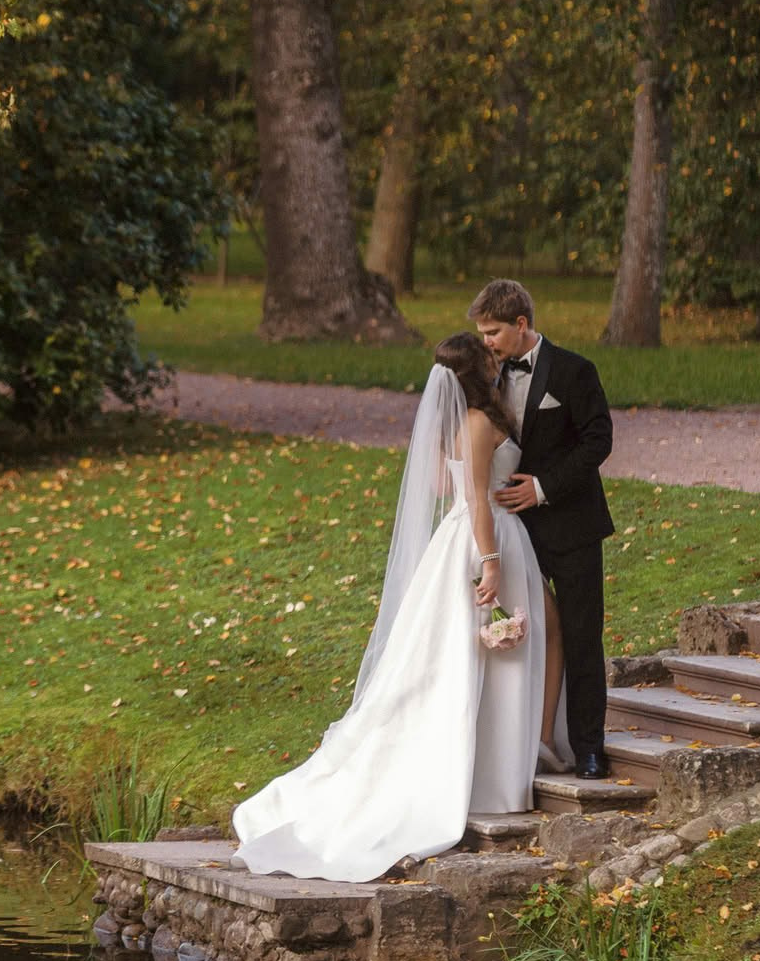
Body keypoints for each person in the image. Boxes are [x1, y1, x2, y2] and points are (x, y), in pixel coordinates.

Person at [232, 332, 571, 883]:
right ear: (475, 371)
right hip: (486, 539)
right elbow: (473, 499)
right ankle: (506, 765)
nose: (497, 359)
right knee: (484, 652)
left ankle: (528, 749)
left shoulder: (469, 421)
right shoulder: (481, 423)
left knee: (489, 649)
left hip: (476, 536)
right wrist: (490, 561)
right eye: (488, 356)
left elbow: (447, 480)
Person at [469, 279, 616, 780]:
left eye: (492, 331)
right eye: (482, 332)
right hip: (513, 532)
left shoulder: (575, 371)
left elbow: (599, 440)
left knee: (579, 633)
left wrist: (544, 487)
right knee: (521, 636)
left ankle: (589, 747)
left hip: (571, 524)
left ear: (521, 324)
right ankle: (522, 745)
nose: (486, 341)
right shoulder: (484, 377)